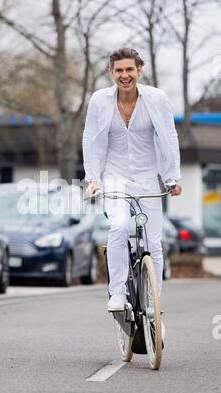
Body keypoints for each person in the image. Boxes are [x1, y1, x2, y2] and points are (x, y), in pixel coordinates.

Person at [82, 48, 182, 312]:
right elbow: (90, 139)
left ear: (139, 70)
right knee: (118, 227)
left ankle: (152, 304)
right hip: (114, 178)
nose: (124, 75)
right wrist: (92, 178)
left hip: (148, 178)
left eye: (129, 69)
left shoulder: (157, 98)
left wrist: (173, 178)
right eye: (119, 70)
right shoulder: (99, 100)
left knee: (153, 244)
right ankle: (117, 294)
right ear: (111, 72)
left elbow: (169, 137)